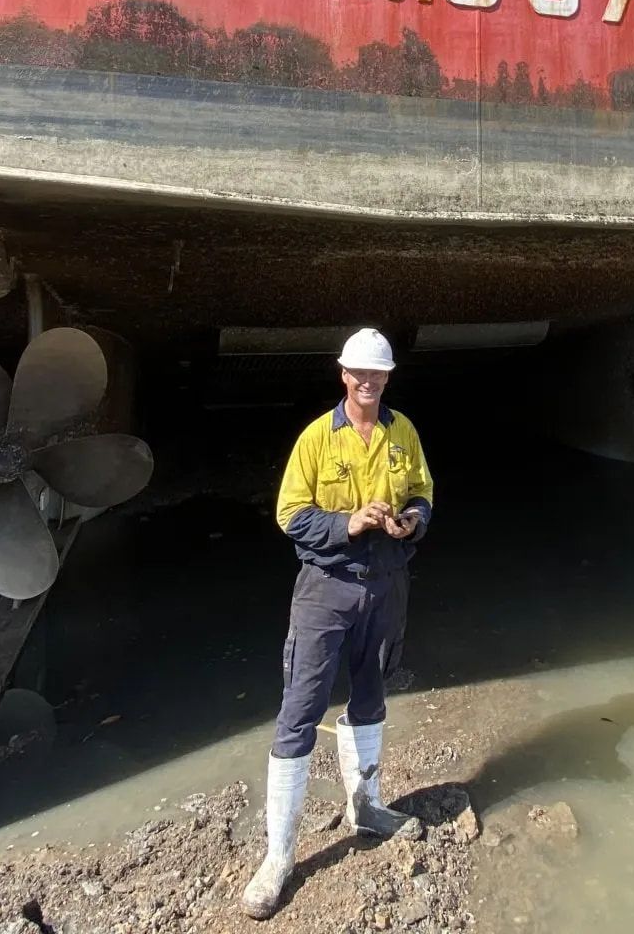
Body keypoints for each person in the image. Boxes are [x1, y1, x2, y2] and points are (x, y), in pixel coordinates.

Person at [240, 327, 434, 920]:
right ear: (343, 374)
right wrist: (347, 524)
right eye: (359, 373)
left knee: (371, 695)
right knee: (300, 712)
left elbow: (424, 493)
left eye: (378, 374)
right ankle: (279, 857)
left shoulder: (404, 433)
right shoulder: (315, 439)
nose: (368, 382)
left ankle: (367, 806)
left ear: (388, 377)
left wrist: (410, 523)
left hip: (387, 586)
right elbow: (289, 514)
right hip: (325, 590)